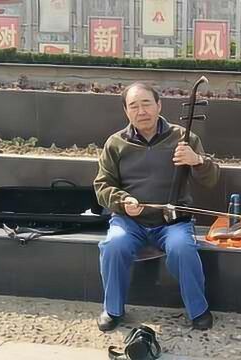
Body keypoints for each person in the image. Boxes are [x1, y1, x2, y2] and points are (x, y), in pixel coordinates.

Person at [94, 82, 220, 332]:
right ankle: (113, 309)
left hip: (172, 220)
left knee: (182, 248)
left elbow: (212, 179)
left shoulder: (184, 138)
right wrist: (122, 201)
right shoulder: (116, 143)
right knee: (113, 245)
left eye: (146, 104)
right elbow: (102, 186)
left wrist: (197, 161)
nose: (141, 111)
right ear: (126, 111)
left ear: (159, 105)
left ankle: (198, 309)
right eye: (134, 106)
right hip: (129, 221)